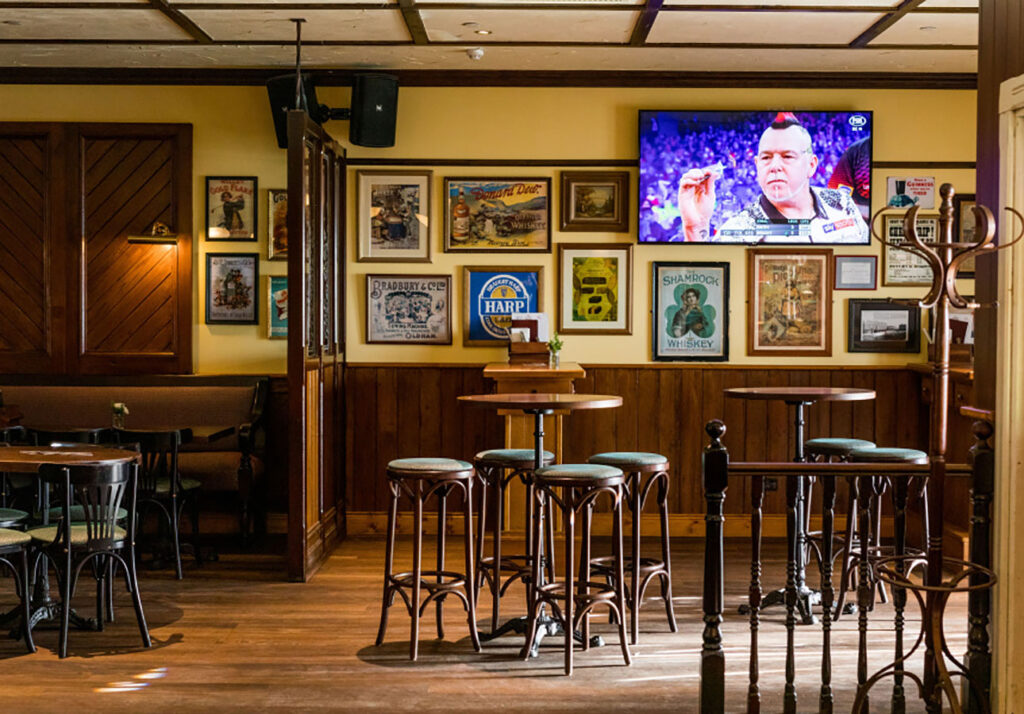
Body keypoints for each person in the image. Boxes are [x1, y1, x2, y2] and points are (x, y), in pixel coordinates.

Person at [676, 113, 868, 243]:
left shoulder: (841, 202)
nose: (774, 166)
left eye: (787, 156)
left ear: (811, 165)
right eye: (766, 157)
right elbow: (711, 280)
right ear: (757, 165)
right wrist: (696, 227)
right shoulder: (740, 228)